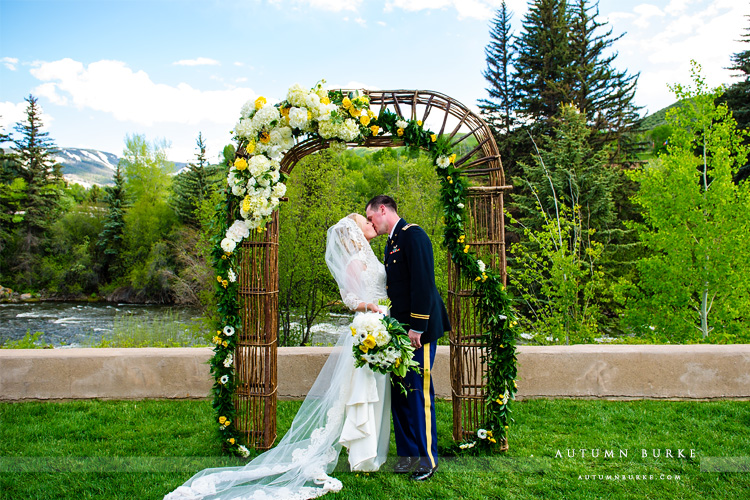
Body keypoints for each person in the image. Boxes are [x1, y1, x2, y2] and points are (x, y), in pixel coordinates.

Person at [164, 214, 390, 500]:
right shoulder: (355, 262)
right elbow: (351, 298)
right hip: (368, 328)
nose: (371, 223)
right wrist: (369, 306)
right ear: (355, 232)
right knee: (362, 391)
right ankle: (363, 454)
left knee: (370, 392)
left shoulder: (369, 256)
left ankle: (368, 451)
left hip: (381, 322)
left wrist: (384, 307)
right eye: (365, 222)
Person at [365, 195, 450, 482]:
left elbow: (423, 283)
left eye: (370, 217)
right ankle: (407, 455)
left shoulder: (414, 235)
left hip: (419, 331)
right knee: (400, 392)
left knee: (418, 392)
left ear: (383, 210)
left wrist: (417, 326)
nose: (370, 223)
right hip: (399, 331)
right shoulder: (391, 242)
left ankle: (427, 460)